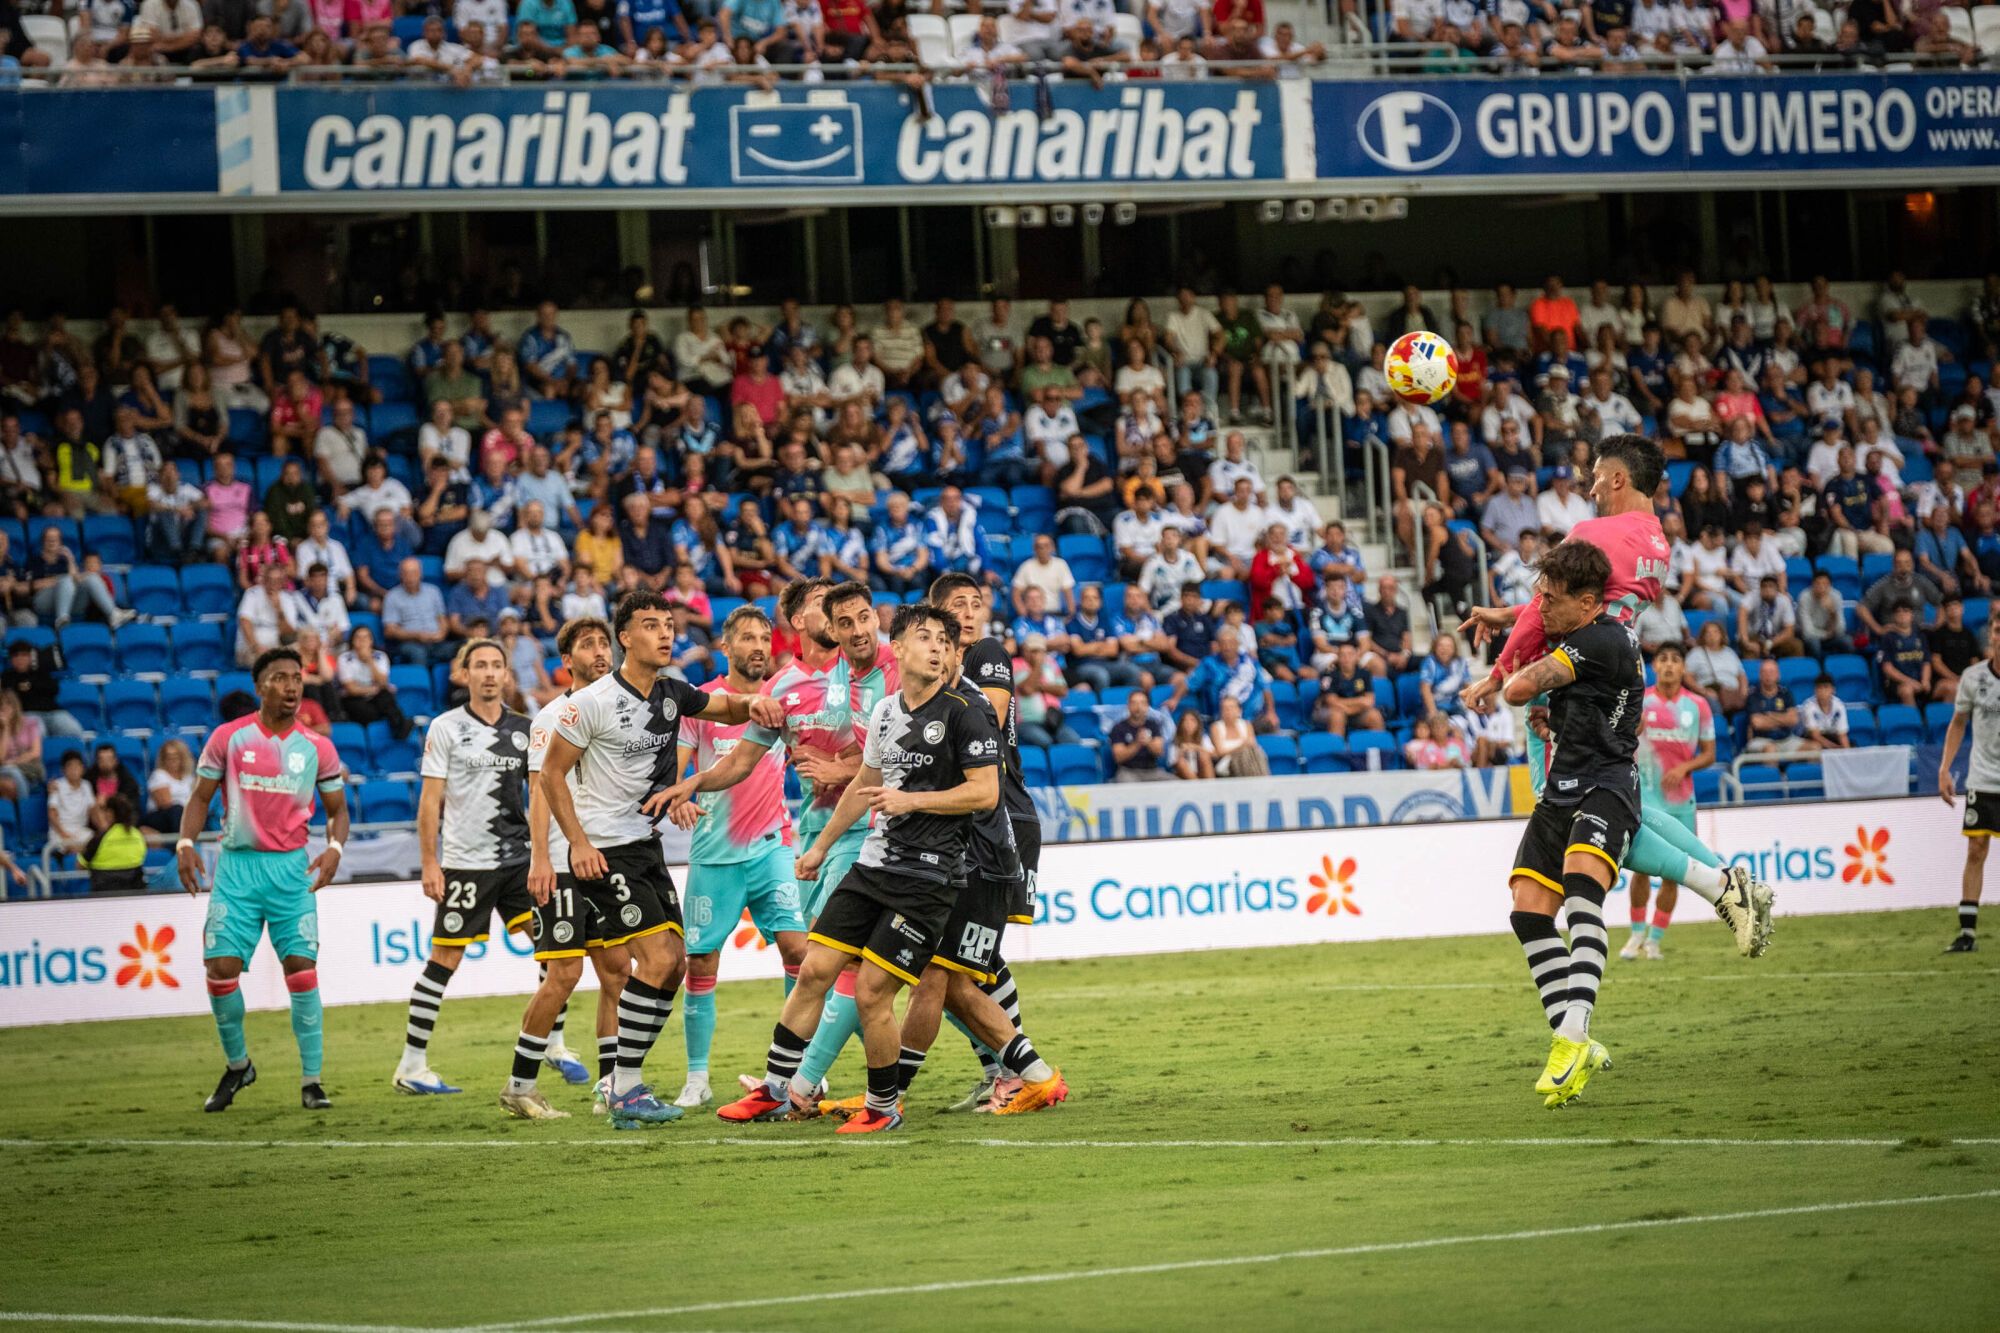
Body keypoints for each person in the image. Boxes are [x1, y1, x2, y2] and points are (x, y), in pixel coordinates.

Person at [718, 603, 1062, 1132]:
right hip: (874, 865)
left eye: (944, 641)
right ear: (896, 648)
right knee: (815, 969)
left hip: (932, 876)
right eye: (926, 638)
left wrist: (910, 802)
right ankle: (776, 1088)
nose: (938, 648)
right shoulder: (885, 711)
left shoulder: (965, 711)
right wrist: (820, 847)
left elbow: (985, 792)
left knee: (888, 989)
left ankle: (885, 1106)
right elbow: (864, 783)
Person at [1459, 434, 1770, 957]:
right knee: (1620, 806)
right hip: (1617, 673)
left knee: (1586, 811)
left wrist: (1497, 674)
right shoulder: (1657, 542)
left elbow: (1548, 609)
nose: (1592, 488)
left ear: (1619, 478)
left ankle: (1719, 885)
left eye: (1598, 477)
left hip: (1573, 680)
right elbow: (1572, 605)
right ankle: (1726, 880)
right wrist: (1510, 614)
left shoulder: (1592, 532)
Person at [540, 590, 784, 1128]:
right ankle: (624, 1086)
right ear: (625, 637)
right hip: (604, 849)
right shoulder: (592, 702)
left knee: (674, 963)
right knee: (654, 960)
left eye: (669, 624)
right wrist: (577, 843)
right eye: (651, 625)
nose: (666, 633)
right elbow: (551, 774)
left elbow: (724, 706)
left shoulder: (673, 692)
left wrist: (757, 705)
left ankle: (623, 1084)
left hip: (643, 845)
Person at [178, 648, 348, 1113]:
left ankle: (312, 1081)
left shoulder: (317, 747)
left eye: (297, 678)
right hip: (237, 870)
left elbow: (338, 811)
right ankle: (238, 1066)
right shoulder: (229, 739)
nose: (292, 686)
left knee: (301, 968)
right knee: (221, 970)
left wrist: (335, 849)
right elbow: (199, 797)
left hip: (291, 871)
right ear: (260, 687)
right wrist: (186, 843)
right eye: (280, 678)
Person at [1495, 541, 1632, 1109]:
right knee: (1528, 913)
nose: (1541, 606)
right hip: (1562, 788)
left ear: (1588, 603)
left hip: (1606, 785)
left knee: (1580, 896)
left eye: (1550, 599)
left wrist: (1518, 674)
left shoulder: (1600, 639)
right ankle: (1574, 1040)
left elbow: (1518, 688)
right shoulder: (1580, 637)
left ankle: (1572, 1035)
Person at [660, 606, 809, 1110]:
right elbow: (676, 771)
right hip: (715, 854)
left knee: (799, 951)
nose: (758, 646)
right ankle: (697, 1077)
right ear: (726, 647)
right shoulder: (703, 703)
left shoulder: (781, 701)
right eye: (747, 638)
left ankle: (796, 1074)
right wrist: (679, 798)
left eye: (764, 638)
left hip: (773, 847)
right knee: (700, 960)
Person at [391, 639, 545, 1101]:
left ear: (507, 674)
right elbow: (430, 802)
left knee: (553, 950)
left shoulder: (526, 729)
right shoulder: (446, 727)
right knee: (445, 960)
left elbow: (540, 797)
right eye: (480, 665)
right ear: (464, 674)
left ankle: (554, 1044)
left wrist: (543, 854)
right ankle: (411, 1065)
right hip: (465, 865)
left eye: (497, 665)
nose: (490, 673)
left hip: (518, 862)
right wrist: (429, 862)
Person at [1620, 641, 1714, 963]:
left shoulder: (1698, 706)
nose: (1670, 665)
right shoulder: (1641, 700)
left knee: (1674, 875)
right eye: (1663, 659)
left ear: (1683, 668)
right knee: (1641, 869)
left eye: (1676, 659)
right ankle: (1636, 934)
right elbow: (1623, 737)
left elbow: (1709, 753)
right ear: (1654, 666)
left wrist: (1685, 767)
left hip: (1681, 802)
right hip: (1644, 800)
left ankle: (1654, 940)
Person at [1939, 620, 2000, 953]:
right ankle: (1967, 934)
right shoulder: (1973, 677)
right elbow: (1958, 723)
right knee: (1976, 849)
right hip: (1983, 778)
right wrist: (1944, 768)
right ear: (1991, 635)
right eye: (1998, 631)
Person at [81, 793, 148, 896]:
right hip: (134, 896)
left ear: (110, 813)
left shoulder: (101, 837)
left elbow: (80, 865)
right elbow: (141, 858)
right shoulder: (138, 835)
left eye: (105, 811)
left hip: (104, 896)